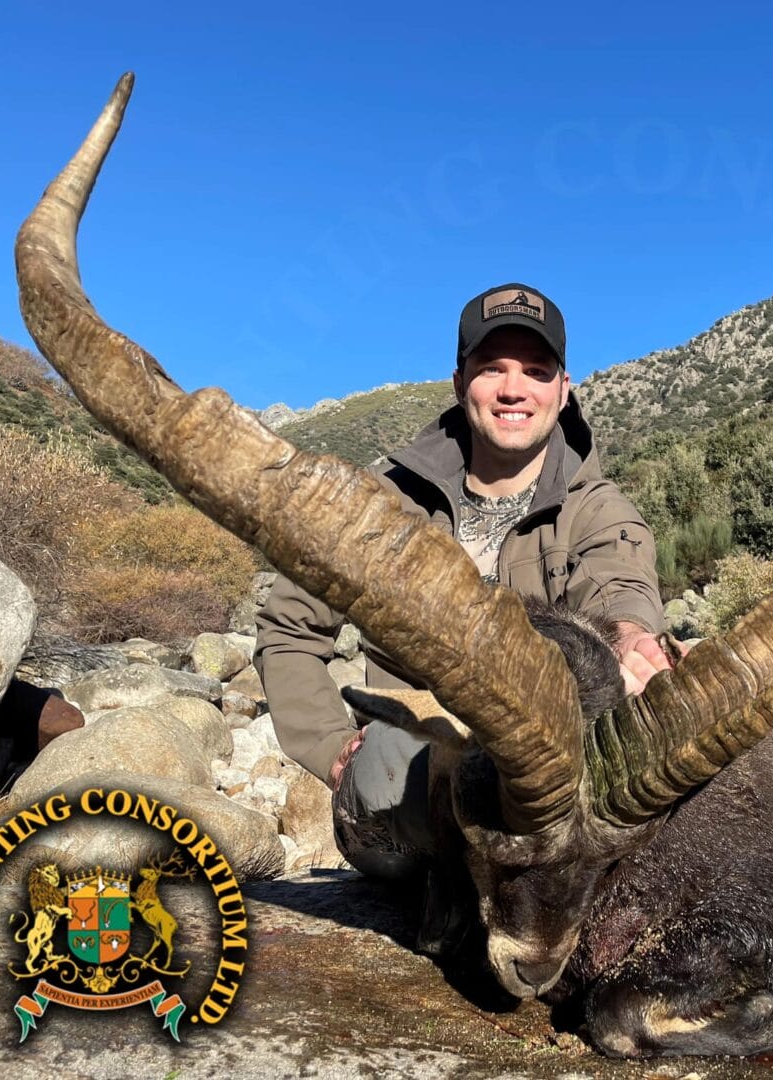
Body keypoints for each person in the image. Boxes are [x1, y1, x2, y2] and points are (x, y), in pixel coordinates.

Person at [254, 282, 671, 870]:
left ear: (563, 389)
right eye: (491, 368)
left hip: (554, 777)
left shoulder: (599, 508)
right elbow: (288, 630)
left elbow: (618, 587)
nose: (513, 389)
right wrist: (330, 747)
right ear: (459, 382)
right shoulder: (379, 506)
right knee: (383, 770)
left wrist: (631, 639)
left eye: (535, 370)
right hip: (417, 769)